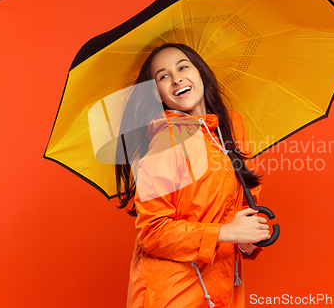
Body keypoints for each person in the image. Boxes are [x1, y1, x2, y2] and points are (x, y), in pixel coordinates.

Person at [115, 43, 270, 308]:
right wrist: (225, 232)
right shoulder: (167, 141)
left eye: (183, 66)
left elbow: (245, 203)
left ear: (200, 72)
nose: (176, 79)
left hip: (223, 286)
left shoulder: (230, 128)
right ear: (158, 94)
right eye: (163, 76)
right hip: (172, 293)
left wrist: (248, 239)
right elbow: (153, 231)